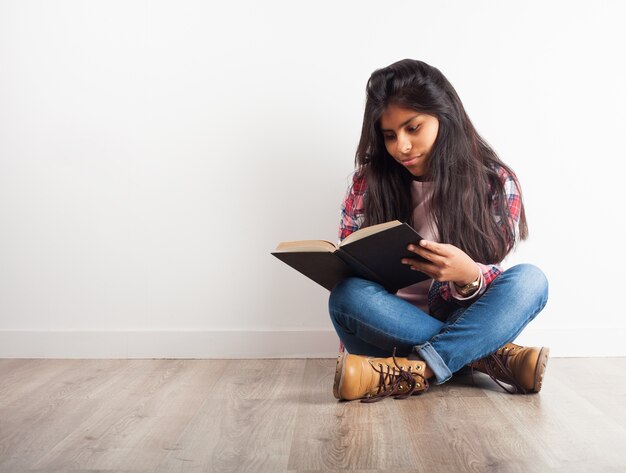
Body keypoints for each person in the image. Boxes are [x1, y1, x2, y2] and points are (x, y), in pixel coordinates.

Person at [329, 59, 549, 402]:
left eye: (412, 128)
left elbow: (491, 287)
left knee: (531, 281)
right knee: (346, 295)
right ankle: (488, 358)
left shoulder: (493, 182)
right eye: (389, 135)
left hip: (463, 316)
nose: (401, 146)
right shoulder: (367, 183)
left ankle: (411, 370)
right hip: (383, 325)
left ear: (443, 117)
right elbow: (350, 267)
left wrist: (468, 277)